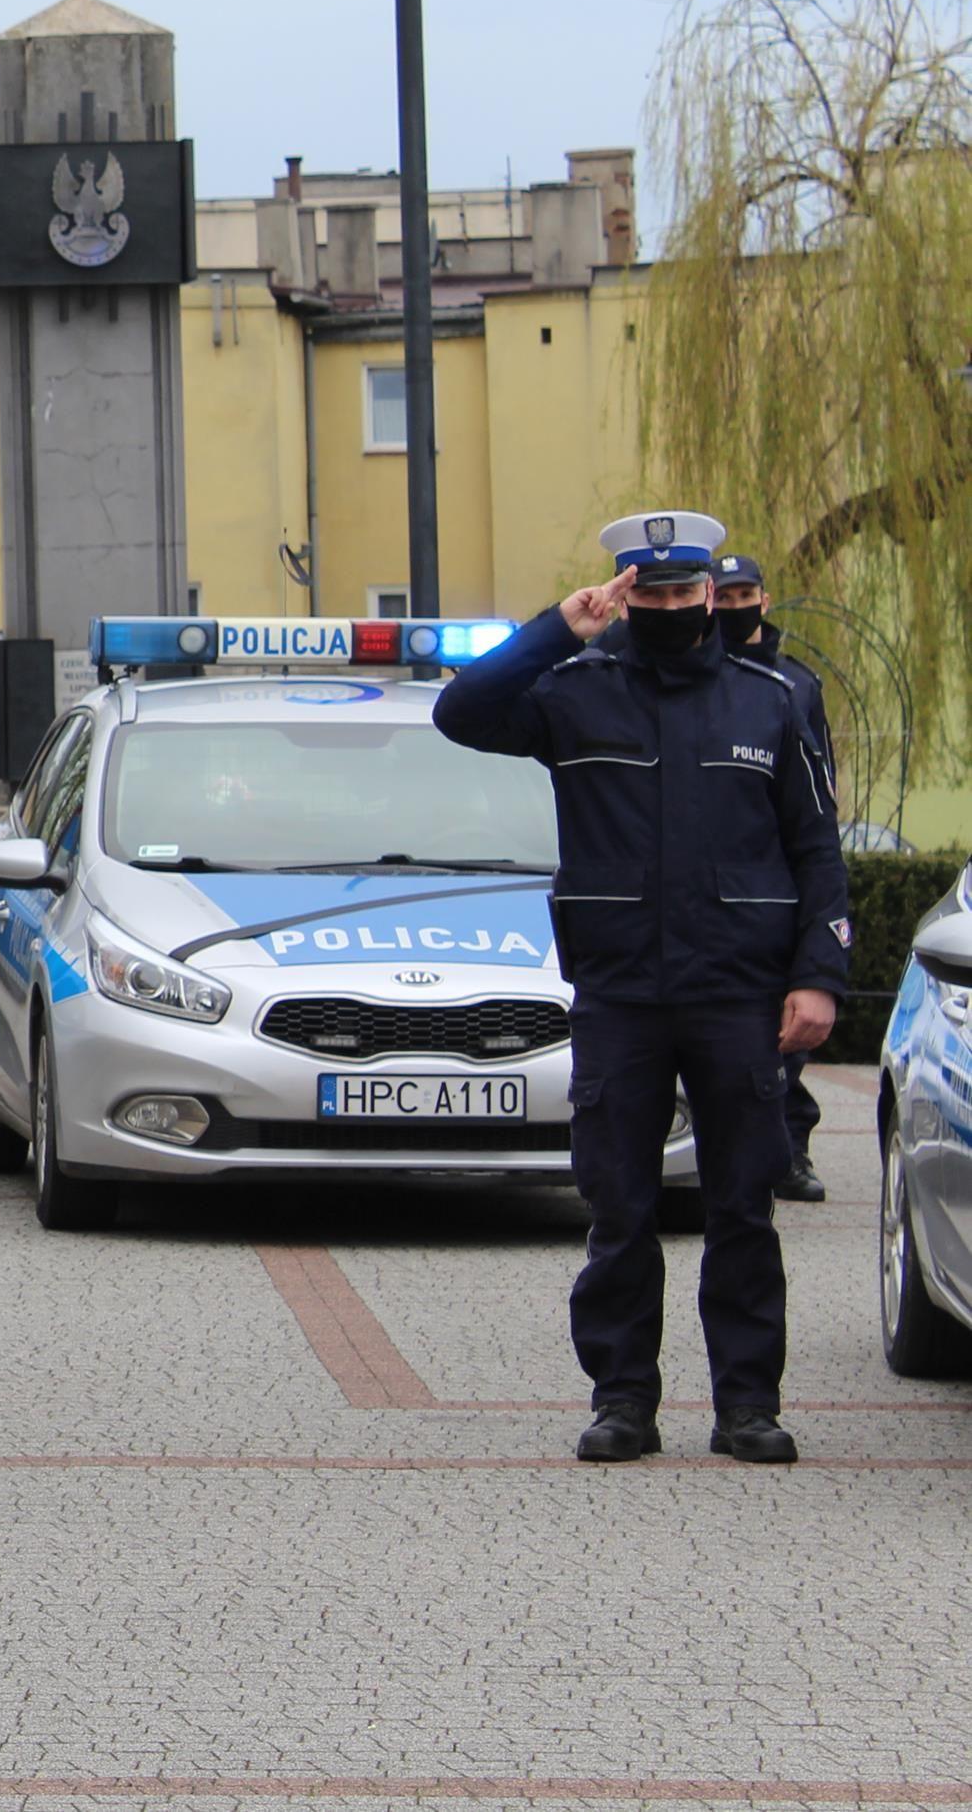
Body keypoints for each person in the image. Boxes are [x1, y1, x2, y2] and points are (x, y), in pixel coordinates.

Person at [431, 511, 846, 1466]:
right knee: (619, 1208)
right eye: (647, 592)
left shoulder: (770, 700)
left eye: (682, 591)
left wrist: (819, 975)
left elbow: (817, 848)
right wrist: (554, 628)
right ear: (625, 593)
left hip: (739, 993)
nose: (667, 607)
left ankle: (747, 1405)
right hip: (621, 991)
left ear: (710, 593)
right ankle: (623, 1398)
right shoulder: (576, 693)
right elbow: (461, 713)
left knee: (743, 1206)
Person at [712, 553, 838, 1206]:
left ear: (765, 597)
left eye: (745, 593)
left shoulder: (796, 686)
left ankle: (790, 1149)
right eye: (724, 595)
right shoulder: (701, 680)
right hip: (724, 883)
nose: (736, 606)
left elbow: (818, 800)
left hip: (781, 881)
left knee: (786, 1035)